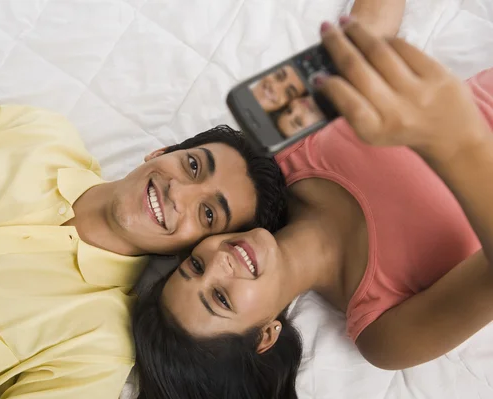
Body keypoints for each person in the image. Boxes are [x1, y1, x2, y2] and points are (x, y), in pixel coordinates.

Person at [132, 13, 493, 399]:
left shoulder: (279, 157)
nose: (219, 263)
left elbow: (362, 46)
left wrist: (355, 38)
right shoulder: (383, 333)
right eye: (221, 298)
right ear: (265, 336)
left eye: (196, 265)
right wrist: (452, 140)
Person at [0, 99, 288, 397]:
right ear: (161, 152)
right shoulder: (45, 134)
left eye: (206, 214)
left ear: (197, 248)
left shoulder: (99, 348)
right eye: (193, 166)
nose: (178, 191)